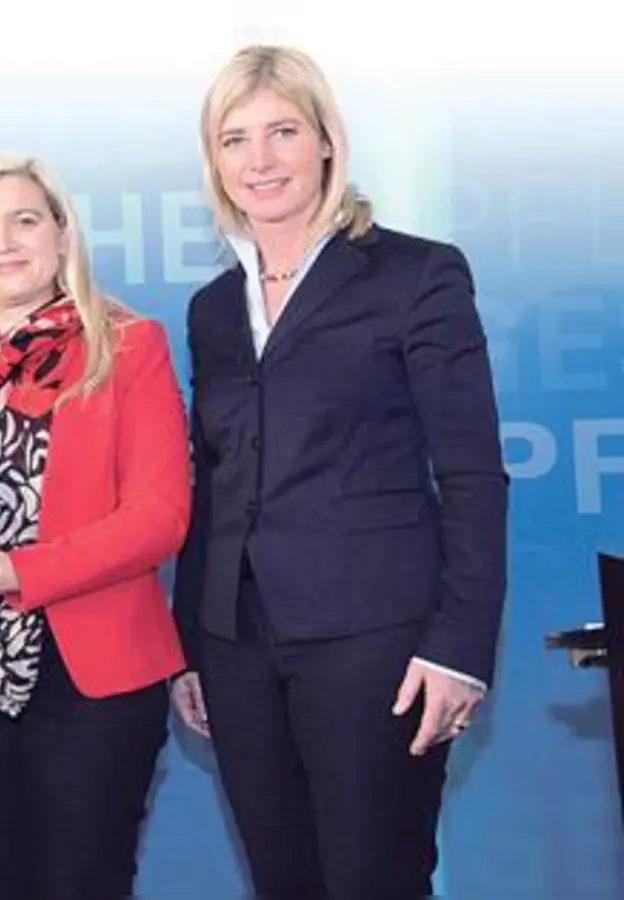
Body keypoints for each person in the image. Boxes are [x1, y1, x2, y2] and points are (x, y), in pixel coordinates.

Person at [170, 45, 508, 899]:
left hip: (377, 642)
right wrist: (189, 646)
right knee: (284, 882)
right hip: (237, 648)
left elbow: (471, 471)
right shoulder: (212, 309)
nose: (260, 159)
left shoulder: (415, 274)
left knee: (374, 880)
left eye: (282, 131)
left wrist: (460, 649)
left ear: (326, 141)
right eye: (235, 138)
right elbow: (212, 483)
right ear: (214, 160)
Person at [0, 154, 192, 899]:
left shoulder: (130, 346)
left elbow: (161, 516)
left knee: (82, 882)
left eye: (25, 220)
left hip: (91, 678)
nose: (4, 242)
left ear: (62, 236)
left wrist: (20, 572)